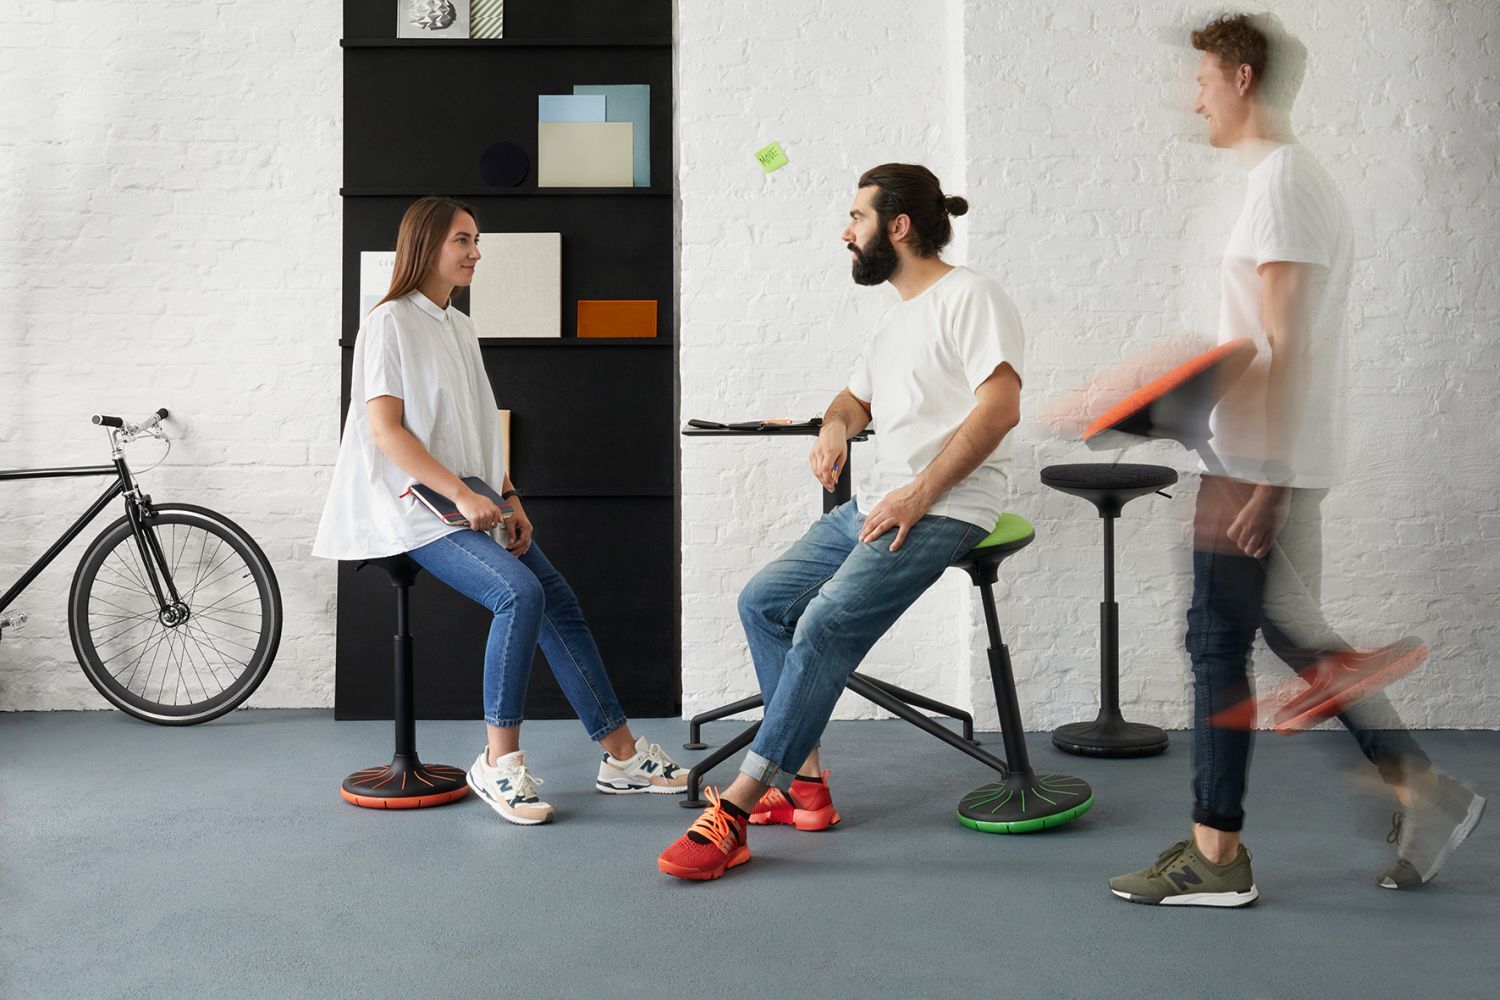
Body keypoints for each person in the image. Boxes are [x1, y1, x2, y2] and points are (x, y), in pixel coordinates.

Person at [1108, 14, 1484, 906]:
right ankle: (1422, 791)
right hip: (1247, 451)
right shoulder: (1274, 184)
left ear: (1240, 78)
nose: (1190, 95)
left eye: (1201, 79)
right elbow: (1259, 343)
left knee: (1216, 643)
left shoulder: (1281, 185)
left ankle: (1218, 855)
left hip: (1257, 462)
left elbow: (1289, 343)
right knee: (1286, 634)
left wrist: (1266, 477)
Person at [658, 164, 1024, 880]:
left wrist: (919, 494)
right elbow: (852, 402)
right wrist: (832, 427)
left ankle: (733, 811)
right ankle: (806, 786)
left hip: (946, 505)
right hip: (875, 503)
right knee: (763, 602)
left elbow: (1001, 407)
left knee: (825, 621)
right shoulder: (892, 321)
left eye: (856, 218)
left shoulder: (971, 296)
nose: (845, 232)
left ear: (898, 226)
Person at [314, 196, 687, 825]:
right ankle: (499, 763)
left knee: (556, 598)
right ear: (425, 246)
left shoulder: (458, 325)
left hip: (470, 494)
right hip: (408, 502)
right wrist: (462, 495)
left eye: (476, 240)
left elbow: (477, 428)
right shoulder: (389, 323)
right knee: (519, 594)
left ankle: (620, 756)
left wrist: (508, 496)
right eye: (463, 240)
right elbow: (388, 433)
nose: (476, 252)